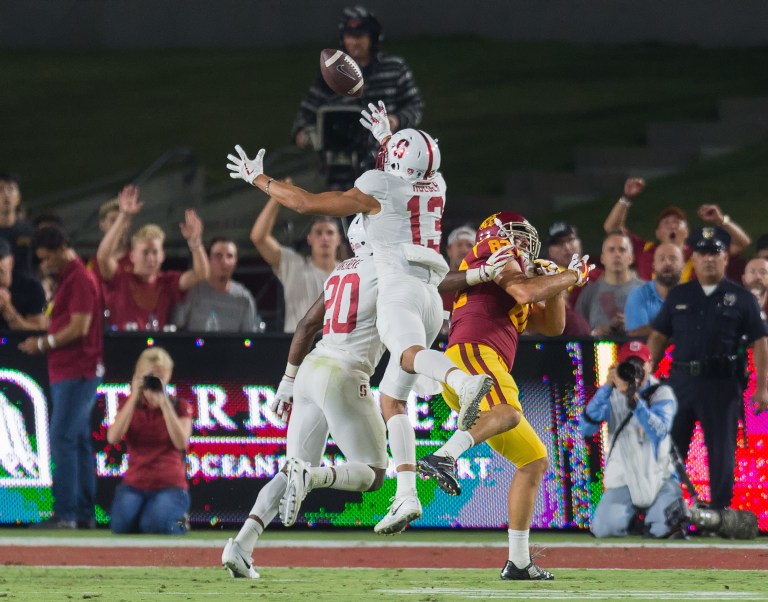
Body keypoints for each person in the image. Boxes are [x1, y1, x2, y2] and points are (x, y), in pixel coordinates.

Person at [228, 103, 510, 441]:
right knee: (394, 401)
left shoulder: (363, 237)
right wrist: (387, 138)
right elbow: (404, 175)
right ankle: (407, 489)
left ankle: (464, 383)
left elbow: (306, 203)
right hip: (431, 297)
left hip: (382, 309)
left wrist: (258, 178)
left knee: (403, 371)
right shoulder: (438, 184)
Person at [415, 211, 592, 580]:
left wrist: (558, 285)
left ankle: (519, 561)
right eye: (518, 235)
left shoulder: (515, 273)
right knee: (510, 412)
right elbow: (525, 292)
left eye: (527, 237)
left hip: (481, 365)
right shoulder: (492, 251)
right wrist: (570, 274)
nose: (525, 243)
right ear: (496, 235)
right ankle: (445, 456)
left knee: (534, 460)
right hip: (475, 355)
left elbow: (554, 326)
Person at [222, 215, 388, 579]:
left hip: (311, 369)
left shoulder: (343, 269)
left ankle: (241, 545)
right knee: (374, 473)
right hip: (344, 374)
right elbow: (436, 285)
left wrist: (287, 381)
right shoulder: (388, 268)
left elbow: (307, 324)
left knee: (289, 469)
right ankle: (314, 477)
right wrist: (478, 276)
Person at [647, 227, 768, 510]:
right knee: (670, 449)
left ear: (725, 258)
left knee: (721, 451)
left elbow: (760, 342)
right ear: (694, 258)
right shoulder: (679, 295)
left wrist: (763, 386)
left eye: (715, 253)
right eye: (702, 253)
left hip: (722, 383)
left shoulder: (742, 298)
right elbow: (658, 337)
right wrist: (645, 375)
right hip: (681, 382)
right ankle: (663, 513)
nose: (709, 259)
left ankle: (719, 513)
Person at [18, 226, 103, 529]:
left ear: (58, 252)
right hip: (71, 370)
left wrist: (43, 343)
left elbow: (80, 326)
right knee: (77, 441)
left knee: (63, 438)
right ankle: (82, 514)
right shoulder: (69, 278)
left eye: (45, 260)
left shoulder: (79, 278)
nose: (43, 266)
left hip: (77, 370)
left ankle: (65, 513)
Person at [291, 6, 423, 160]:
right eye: (349, 36)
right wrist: (302, 132)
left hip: (387, 155)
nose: (354, 42)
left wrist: (396, 120)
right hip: (341, 157)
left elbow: (415, 105)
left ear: (372, 37)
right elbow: (309, 107)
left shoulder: (395, 68)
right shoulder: (332, 72)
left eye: (360, 36)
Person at [580, 341, 683, 538]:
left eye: (639, 363)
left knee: (665, 531)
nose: (635, 370)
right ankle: (634, 519)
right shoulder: (611, 393)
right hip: (624, 478)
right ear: (618, 366)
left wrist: (634, 402)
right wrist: (607, 388)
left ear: (649, 366)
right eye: (629, 364)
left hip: (660, 477)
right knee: (604, 530)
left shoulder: (662, 393)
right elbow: (586, 428)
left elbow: (659, 432)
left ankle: (650, 518)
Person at [96, 184, 209, 331]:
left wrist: (195, 242)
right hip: (122, 347)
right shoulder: (120, 278)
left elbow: (201, 274)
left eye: (155, 252)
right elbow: (103, 257)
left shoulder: (167, 282)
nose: (150, 258)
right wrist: (123, 216)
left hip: (156, 350)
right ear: (132, 255)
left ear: (163, 256)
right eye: (145, 252)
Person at [106, 347, 193, 534]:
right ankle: (149, 514)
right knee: (120, 527)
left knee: (154, 526)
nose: (155, 381)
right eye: (151, 376)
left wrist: (164, 405)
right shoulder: (129, 405)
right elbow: (112, 437)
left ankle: (180, 522)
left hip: (169, 484)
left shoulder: (179, 405)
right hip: (135, 483)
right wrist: (134, 396)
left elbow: (181, 443)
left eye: (160, 377)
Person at [603, 177, 751, 281]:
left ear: (687, 231)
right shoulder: (644, 249)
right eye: (666, 222)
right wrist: (626, 198)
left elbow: (741, 243)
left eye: (678, 222)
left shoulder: (699, 254)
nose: (672, 225)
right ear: (657, 233)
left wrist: (721, 220)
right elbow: (612, 227)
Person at [250, 188, 341, 333]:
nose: (324, 238)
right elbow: (258, 237)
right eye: (318, 232)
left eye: (330, 233)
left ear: (338, 239)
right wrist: (277, 195)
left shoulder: (348, 272)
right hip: (297, 347)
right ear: (309, 239)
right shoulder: (293, 264)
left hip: (336, 349)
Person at [172, 237, 259, 332]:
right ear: (208, 259)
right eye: (218, 256)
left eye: (229, 256)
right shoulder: (193, 291)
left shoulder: (244, 298)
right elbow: (176, 329)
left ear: (235, 261)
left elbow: (250, 337)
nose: (224, 262)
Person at [575, 232, 643, 337]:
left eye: (622, 250)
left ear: (631, 258)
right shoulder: (589, 293)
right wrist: (595, 334)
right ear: (602, 258)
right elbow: (577, 331)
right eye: (611, 250)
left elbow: (659, 331)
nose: (617, 255)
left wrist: (634, 329)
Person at [543, 222, 593, 336]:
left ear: (579, 242)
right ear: (550, 251)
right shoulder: (543, 279)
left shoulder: (598, 275)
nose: (566, 247)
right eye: (559, 243)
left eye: (570, 240)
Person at [624, 242, 684, 338]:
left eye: (673, 259)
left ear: (683, 266)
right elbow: (635, 334)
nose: (667, 263)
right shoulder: (639, 295)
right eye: (662, 259)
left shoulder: (694, 296)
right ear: (654, 265)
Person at [0, 236, 46, 330]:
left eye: (0, 258)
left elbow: (38, 331)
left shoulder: (31, 287)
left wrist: (7, 309)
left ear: (11, 261)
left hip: (17, 343)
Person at [0, 172, 36, 276]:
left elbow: (39, 264)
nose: (6, 194)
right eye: (0, 189)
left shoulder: (30, 231)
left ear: (18, 197)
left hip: (27, 289)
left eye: (11, 189)